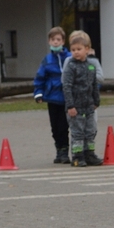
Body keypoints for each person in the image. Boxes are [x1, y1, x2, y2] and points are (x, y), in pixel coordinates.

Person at [62, 29, 102, 166]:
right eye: (73, 50)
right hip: (76, 107)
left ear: (87, 49)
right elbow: (66, 86)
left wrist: (96, 101)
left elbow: (94, 85)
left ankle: (89, 154)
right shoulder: (71, 67)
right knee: (77, 133)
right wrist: (70, 106)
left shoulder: (91, 66)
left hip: (89, 105)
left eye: (79, 49)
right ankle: (77, 156)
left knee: (90, 131)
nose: (76, 52)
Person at [34, 26, 71, 163]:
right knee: (54, 127)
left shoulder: (69, 57)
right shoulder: (47, 60)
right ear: (49, 42)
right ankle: (58, 149)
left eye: (58, 39)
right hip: (52, 98)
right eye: (53, 39)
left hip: (66, 98)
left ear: (63, 41)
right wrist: (38, 93)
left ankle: (65, 152)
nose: (55, 42)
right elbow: (40, 77)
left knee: (63, 126)